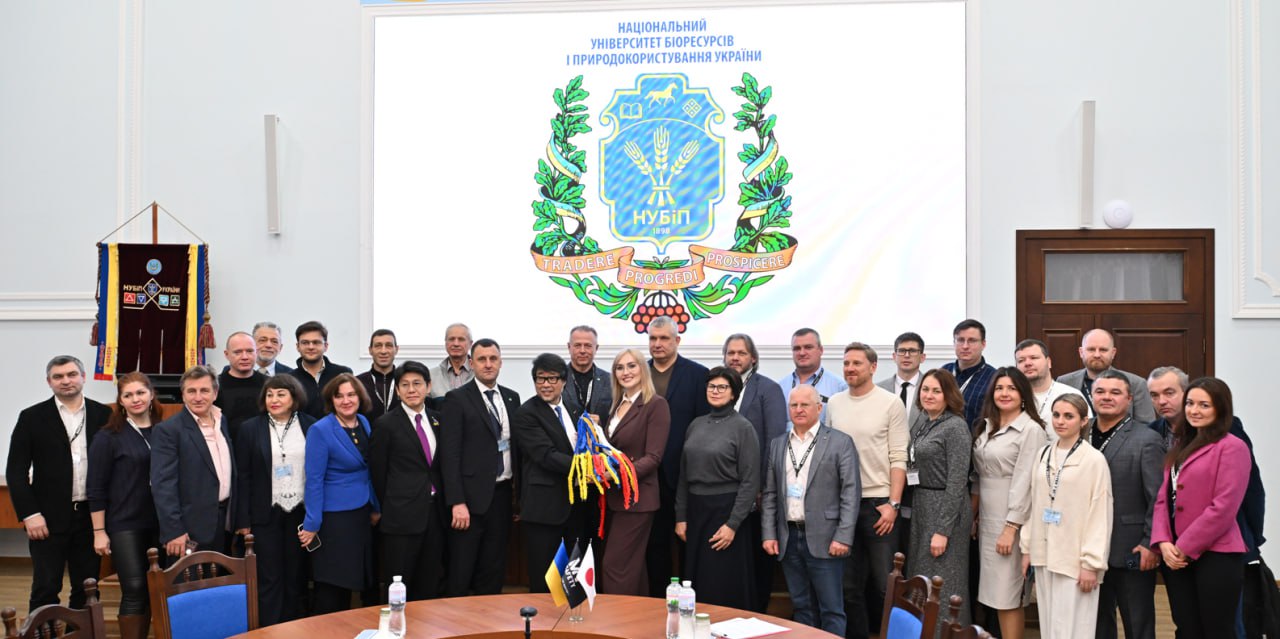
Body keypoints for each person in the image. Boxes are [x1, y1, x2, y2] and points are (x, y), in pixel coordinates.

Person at [1146, 366, 1265, 638]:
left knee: (1218, 629)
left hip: (1216, 554)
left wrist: (1183, 547)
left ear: (1220, 409)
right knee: (1187, 628)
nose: (1194, 410)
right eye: (1190, 403)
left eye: (1204, 405)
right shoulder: (1181, 445)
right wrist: (1163, 541)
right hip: (1175, 555)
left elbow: (1223, 507)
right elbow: (1163, 499)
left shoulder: (1232, 446)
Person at [6, 355, 109, 612]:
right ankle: (44, 630)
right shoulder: (31, 417)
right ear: (49, 382)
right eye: (58, 377)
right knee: (46, 587)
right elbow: (16, 472)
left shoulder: (104, 414)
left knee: (87, 588)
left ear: (83, 377)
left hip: (90, 517)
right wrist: (30, 514)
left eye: (72, 374)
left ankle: (81, 631)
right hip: (46, 519)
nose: (66, 381)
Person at [824, 342, 908, 639]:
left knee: (886, 586)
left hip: (879, 506)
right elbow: (828, 454)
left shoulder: (890, 403)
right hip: (843, 506)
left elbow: (899, 457)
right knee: (848, 587)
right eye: (846, 363)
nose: (850, 368)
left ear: (873, 367)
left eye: (856, 363)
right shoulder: (834, 403)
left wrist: (893, 504)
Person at [761, 384, 858, 637]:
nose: (799, 409)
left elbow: (850, 493)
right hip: (789, 537)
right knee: (802, 607)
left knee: (831, 610)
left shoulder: (840, 442)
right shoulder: (778, 444)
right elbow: (770, 493)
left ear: (819, 408)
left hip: (826, 538)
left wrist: (843, 536)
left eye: (805, 404)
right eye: (794, 405)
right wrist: (769, 534)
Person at [1020, 394, 1113, 639]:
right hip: (1045, 553)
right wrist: (1027, 548)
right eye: (1056, 415)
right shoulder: (1043, 454)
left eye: (1069, 416)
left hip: (1075, 558)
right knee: (1051, 625)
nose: (1060, 421)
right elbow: (1034, 504)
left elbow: (1100, 514)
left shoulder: (1094, 460)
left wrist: (1091, 564)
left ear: (1083, 421)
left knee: (1074, 627)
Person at [439, 338, 521, 596]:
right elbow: (449, 455)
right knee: (462, 569)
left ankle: (489, 616)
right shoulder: (456, 399)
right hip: (469, 500)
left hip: (502, 494)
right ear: (471, 363)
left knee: (493, 567)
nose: (488, 364)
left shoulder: (512, 397)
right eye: (482, 359)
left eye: (493, 359)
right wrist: (457, 501)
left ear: (500, 363)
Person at [971, 367, 1047, 639]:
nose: (1005, 393)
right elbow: (979, 476)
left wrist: (1011, 528)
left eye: (1012, 388)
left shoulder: (1031, 430)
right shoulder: (987, 426)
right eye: (1000, 388)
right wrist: (974, 516)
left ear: (1023, 394)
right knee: (993, 594)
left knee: (1008, 596)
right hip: (988, 520)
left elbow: (1026, 482)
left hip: (1012, 521)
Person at [233, 374, 316, 625]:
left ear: (294, 397)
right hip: (264, 514)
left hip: (300, 513)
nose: (274, 399)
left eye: (281, 394)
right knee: (268, 577)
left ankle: (294, 628)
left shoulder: (311, 425)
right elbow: (243, 476)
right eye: (269, 395)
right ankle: (269, 629)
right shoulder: (250, 428)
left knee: (296, 576)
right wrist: (243, 520)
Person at [675, 367, 759, 609]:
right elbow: (684, 475)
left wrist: (733, 524)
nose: (715, 391)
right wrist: (681, 517)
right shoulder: (696, 424)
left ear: (733, 393)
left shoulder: (743, 428)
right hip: (696, 511)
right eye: (711, 386)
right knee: (697, 578)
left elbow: (750, 481)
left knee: (722, 580)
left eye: (722, 387)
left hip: (726, 512)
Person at [1088, 371, 1163, 639]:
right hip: (1089, 550)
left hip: (1131, 547)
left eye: (1115, 392)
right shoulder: (1079, 432)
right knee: (1096, 624)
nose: (1107, 397)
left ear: (1129, 399)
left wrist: (1150, 543)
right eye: (1100, 391)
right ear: (1091, 396)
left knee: (1137, 623)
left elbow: (1158, 498)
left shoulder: (1147, 439)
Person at [86, 372, 162, 639]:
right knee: (135, 588)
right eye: (127, 395)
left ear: (151, 394)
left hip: (162, 523)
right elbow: (95, 488)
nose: (135, 399)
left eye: (140, 392)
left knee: (157, 588)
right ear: (120, 401)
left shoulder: (165, 430)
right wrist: (99, 531)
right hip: (125, 524)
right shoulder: (108, 437)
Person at [512, 353, 596, 592]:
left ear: (564, 381)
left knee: (573, 578)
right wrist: (590, 467)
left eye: (552, 379)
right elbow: (545, 455)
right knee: (545, 579)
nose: (546, 384)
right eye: (540, 379)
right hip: (544, 509)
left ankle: (571, 615)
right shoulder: (526, 413)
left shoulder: (574, 409)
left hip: (576, 507)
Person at [300, 373, 380, 614]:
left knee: (355, 578)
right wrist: (312, 523)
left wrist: (375, 506)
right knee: (333, 584)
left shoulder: (363, 422)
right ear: (331, 400)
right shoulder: (320, 430)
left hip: (361, 512)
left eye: (351, 395)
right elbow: (314, 480)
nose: (346, 401)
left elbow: (369, 469)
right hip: (334, 518)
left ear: (360, 397)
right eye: (339, 396)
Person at [368, 360, 446, 601]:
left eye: (417, 383)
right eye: (405, 385)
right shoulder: (385, 424)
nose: (412, 389)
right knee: (399, 584)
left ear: (428, 387)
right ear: (398, 390)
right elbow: (378, 473)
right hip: (400, 517)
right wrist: (390, 506)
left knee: (430, 582)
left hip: (435, 514)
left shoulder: (439, 420)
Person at [904, 369, 973, 634]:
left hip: (946, 508)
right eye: (925, 389)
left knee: (944, 582)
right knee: (922, 579)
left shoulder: (955, 427)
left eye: (936, 391)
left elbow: (957, 481)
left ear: (948, 394)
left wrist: (943, 530)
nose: (929, 395)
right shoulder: (924, 420)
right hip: (922, 504)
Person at [723, 332, 787, 612]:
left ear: (753, 358)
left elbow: (774, 441)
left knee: (757, 557)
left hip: (758, 492)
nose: (735, 358)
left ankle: (758, 612)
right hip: (725, 490)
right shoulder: (718, 388)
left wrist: (763, 486)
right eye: (731, 353)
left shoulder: (768, 389)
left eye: (741, 353)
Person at [646, 316, 710, 596]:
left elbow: (704, 426)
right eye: (653, 338)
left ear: (677, 340)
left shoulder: (698, 375)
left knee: (688, 543)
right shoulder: (638, 372)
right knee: (654, 545)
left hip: (685, 475)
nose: (658, 344)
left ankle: (689, 601)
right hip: (647, 476)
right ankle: (656, 602)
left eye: (664, 338)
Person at [600, 348, 670, 596]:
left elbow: (653, 458)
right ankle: (639, 617)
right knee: (632, 567)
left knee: (615, 566)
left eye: (632, 366)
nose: (625, 372)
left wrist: (616, 474)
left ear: (643, 369)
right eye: (620, 367)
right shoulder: (617, 405)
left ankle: (617, 617)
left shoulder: (656, 404)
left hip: (639, 499)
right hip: (616, 498)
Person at [152, 365, 237, 555]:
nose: (198, 397)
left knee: (220, 574)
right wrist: (174, 530)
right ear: (183, 395)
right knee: (190, 576)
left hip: (224, 523)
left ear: (215, 393)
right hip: (189, 529)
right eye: (191, 391)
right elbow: (163, 485)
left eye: (204, 390)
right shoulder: (168, 430)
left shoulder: (222, 421)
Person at [1057, 329, 1155, 423]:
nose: (1097, 355)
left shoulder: (1136, 384)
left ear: (1113, 353)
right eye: (1091, 349)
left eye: (1103, 350)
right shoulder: (1064, 382)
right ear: (1081, 352)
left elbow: (1146, 427)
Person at [1014, 338, 1087, 430]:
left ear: (1049, 362)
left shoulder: (1070, 394)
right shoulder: (1011, 398)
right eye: (1021, 360)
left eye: (1034, 358)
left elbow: (1086, 431)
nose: (1027, 363)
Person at [781, 328, 848, 424]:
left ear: (821, 350)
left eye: (808, 347)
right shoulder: (780, 388)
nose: (802, 353)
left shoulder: (839, 387)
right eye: (797, 348)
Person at [941, 319, 998, 428]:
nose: (965, 346)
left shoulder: (994, 378)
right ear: (954, 343)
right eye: (960, 340)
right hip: (939, 436)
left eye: (972, 340)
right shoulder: (944, 371)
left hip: (975, 437)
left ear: (983, 344)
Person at [290, 321, 354, 419]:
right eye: (305, 343)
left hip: (337, 428)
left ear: (326, 346)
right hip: (303, 429)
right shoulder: (290, 379)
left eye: (316, 342)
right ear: (298, 347)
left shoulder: (343, 374)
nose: (311, 347)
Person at [216, 331, 267, 442]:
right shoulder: (215, 386)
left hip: (262, 446)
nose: (245, 357)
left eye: (249, 351)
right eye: (238, 352)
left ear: (256, 352)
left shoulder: (268, 384)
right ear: (226, 354)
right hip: (226, 446)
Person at [877, 331, 927, 424]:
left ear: (922, 357)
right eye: (901, 351)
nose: (907, 355)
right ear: (894, 356)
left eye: (912, 351)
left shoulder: (933, 388)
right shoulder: (879, 389)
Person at [357, 329, 401, 422]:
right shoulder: (358, 383)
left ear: (396, 349)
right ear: (370, 350)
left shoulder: (404, 381)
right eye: (378, 346)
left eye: (388, 345)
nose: (383, 351)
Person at [429, 323, 475, 401]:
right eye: (451, 339)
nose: (456, 344)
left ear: (470, 344)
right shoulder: (431, 375)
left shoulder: (480, 374)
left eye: (461, 339)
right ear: (445, 343)